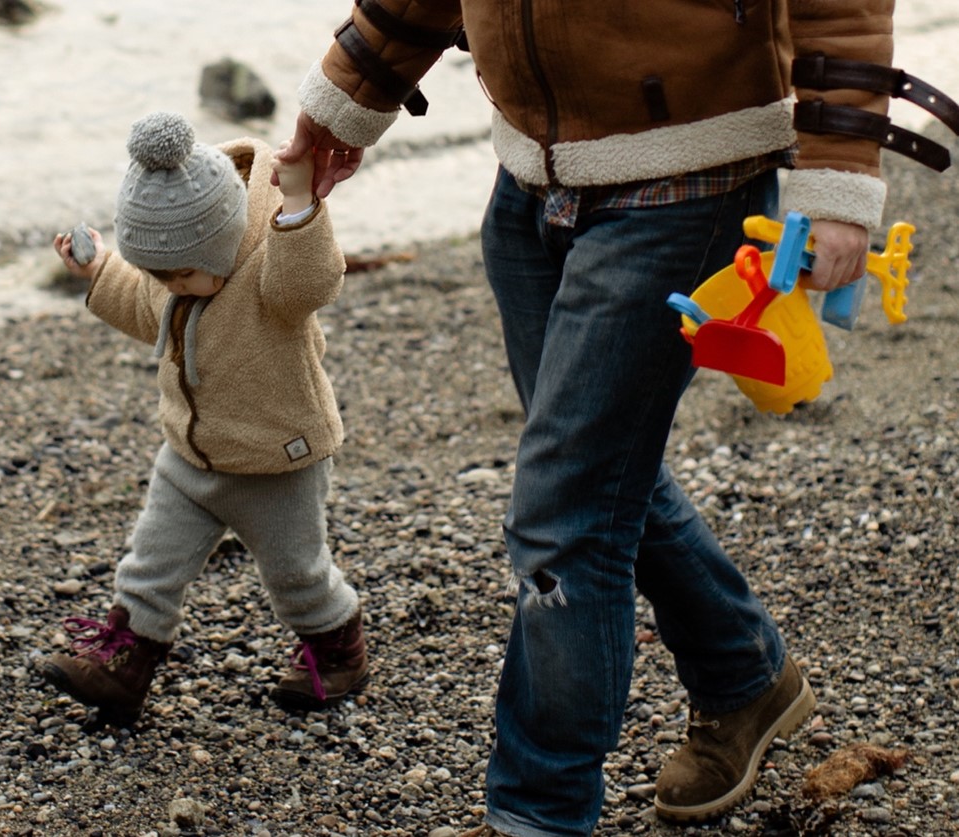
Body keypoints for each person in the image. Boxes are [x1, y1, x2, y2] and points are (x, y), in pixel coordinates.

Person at [278, 1, 895, 834]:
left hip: (690, 180)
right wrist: (346, 94)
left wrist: (839, 182)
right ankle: (744, 675)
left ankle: (539, 810)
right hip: (529, 185)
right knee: (594, 479)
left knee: (562, 518)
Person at [43, 111, 367, 726]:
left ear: (223, 244)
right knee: (150, 563)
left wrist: (298, 201)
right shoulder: (176, 278)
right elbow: (144, 309)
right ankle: (126, 665)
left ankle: (338, 648)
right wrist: (99, 270)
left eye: (182, 273)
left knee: (298, 575)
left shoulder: (271, 278)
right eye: (161, 275)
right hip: (188, 457)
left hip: (276, 460)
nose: (173, 287)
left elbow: (312, 279)